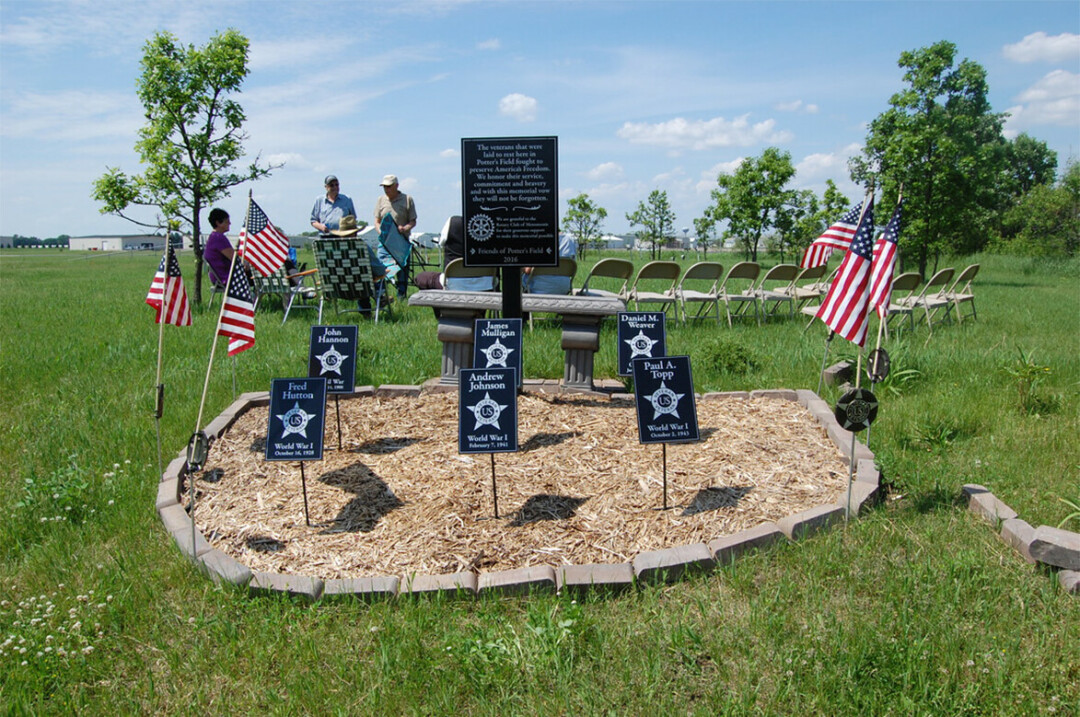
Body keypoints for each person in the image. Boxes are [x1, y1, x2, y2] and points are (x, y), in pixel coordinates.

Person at [374, 174, 417, 297]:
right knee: (381, 270)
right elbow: (377, 221)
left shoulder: (407, 199)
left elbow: (413, 221)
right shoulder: (381, 200)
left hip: (401, 242)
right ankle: (381, 297)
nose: (386, 189)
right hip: (384, 243)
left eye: (389, 186)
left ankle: (401, 297)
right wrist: (381, 232)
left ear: (396, 186)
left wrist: (405, 228)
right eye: (384, 187)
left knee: (402, 271)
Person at [204, 208, 236, 287]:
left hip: (218, 278)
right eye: (227, 221)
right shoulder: (219, 238)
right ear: (218, 223)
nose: (230, 223)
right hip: (226, 278)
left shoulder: (213, 237)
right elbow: (235, 259)